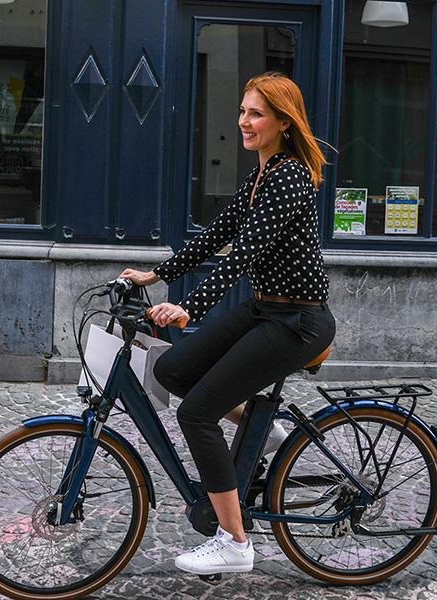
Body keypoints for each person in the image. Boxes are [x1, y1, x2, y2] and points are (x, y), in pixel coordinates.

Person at [120, 72, 336, 576]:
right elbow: (217, 234)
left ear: (284, 122)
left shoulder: (289, 177)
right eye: (242, 111)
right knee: (172, 370)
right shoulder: (263, 173)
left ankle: (235, 542)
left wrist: (189, 307)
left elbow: (244, 252)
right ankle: (267, 432)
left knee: (197, 413)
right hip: (266, 309)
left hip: (298, 321)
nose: (244, 121)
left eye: (256, 113)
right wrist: (156, 274)